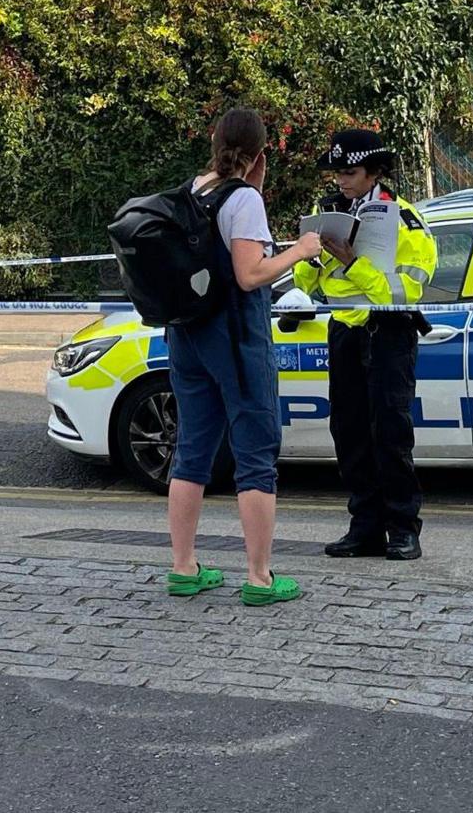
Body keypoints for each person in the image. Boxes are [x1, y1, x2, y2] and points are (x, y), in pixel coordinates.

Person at [165, 108, 322, 606]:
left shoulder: (196, 188)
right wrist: (300, 250)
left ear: (214, 142)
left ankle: (184, 568)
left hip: (187, 335)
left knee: (192, 449)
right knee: (255, 454)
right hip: (235, 339)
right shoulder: (245, 199)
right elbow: (250, 274)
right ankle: (259, 578)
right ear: (261, 152)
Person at [295, 129, 439, 560]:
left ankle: (402, 529)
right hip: (344, 331)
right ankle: (364, 527)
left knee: (390, 433)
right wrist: (311, 255)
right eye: (335, 172)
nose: (341, 180)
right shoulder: (330, 213)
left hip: (388, 332)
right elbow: (310, 285)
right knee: (349, 432)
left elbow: (404, 295)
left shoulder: (404, 219)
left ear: (375, 171)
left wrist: (353, 263)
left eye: (350, 172)